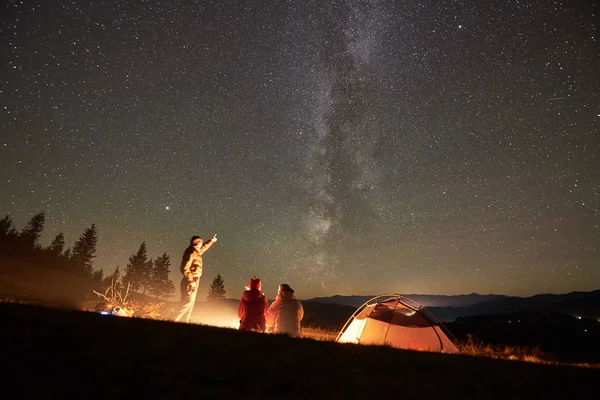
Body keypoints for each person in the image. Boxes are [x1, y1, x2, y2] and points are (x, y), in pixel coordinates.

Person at [174, 234, 217, 323]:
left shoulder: (196, 251)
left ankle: (185, 321)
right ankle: (174, 320)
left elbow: (204, 248)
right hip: (191, 280)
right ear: (197, 244)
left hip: (194, 279)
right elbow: (185, 268)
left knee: (190, 303)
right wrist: (191, 280)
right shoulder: (191, 252)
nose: (202, 244)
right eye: (201, 242)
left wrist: (211, 241)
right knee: (187, 302)